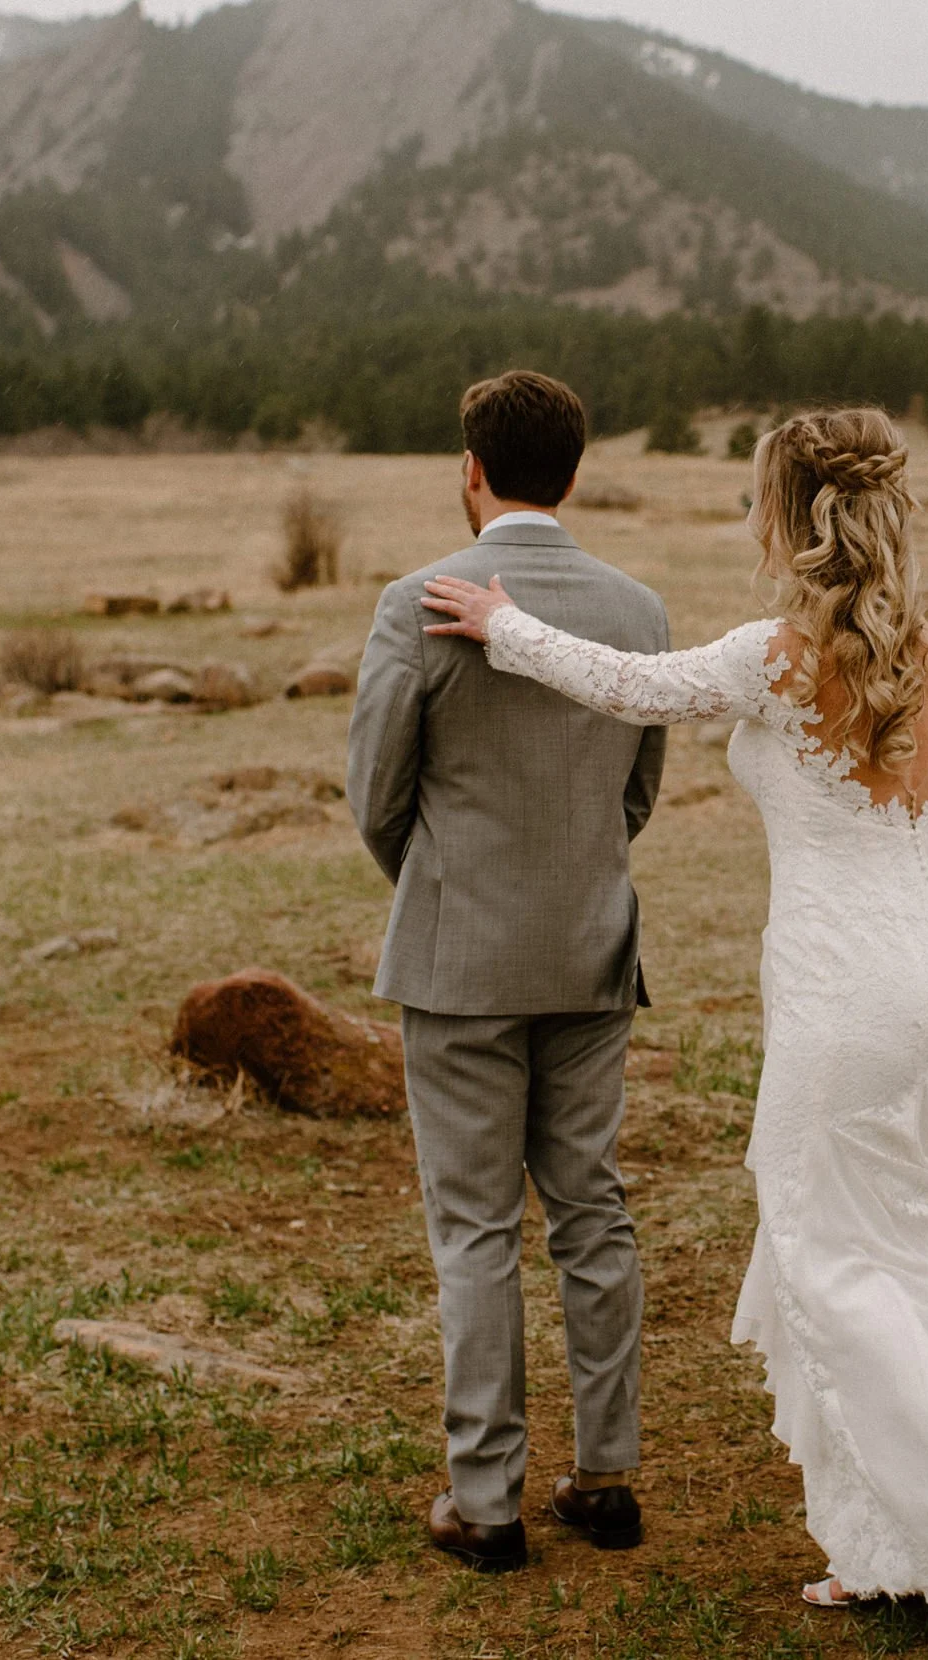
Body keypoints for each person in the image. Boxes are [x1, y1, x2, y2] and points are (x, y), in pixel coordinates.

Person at [419, 406, 928, 1624]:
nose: (747, 518)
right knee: (905, 1253)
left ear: (791, 518)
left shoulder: (780, 656)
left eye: (754, 499)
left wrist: (502, 624)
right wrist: (900, 889)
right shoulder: (924, 655)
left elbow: (629, 686)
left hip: (849, 996)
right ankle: (883, 1545)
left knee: (825, 1267)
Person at [347, 370, 668, 1573]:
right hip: (592, 949)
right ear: (573, 473)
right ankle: (608, 1475)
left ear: (470, 471)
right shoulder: (637, 607)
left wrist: (439, 890)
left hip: (457, 959)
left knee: (474, 1227)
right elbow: (637, 794)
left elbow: (377, 792)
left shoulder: (416, 601)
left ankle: (486, 1501)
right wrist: (574, 871)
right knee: (593, 1208)